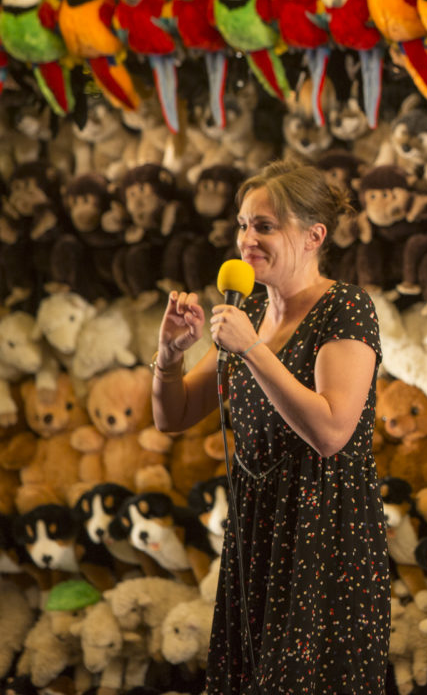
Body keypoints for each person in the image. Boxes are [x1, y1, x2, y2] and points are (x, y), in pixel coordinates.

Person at [151, 159, 389, 695]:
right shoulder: (251, 311)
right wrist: (169, 355)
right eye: (242, 224)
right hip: (258, 529)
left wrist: (253, 350)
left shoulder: (346, 307)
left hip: (325, 532)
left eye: (264, 226)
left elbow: (332, 433)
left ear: (313, 236)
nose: (247, 240)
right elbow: (173, 417)